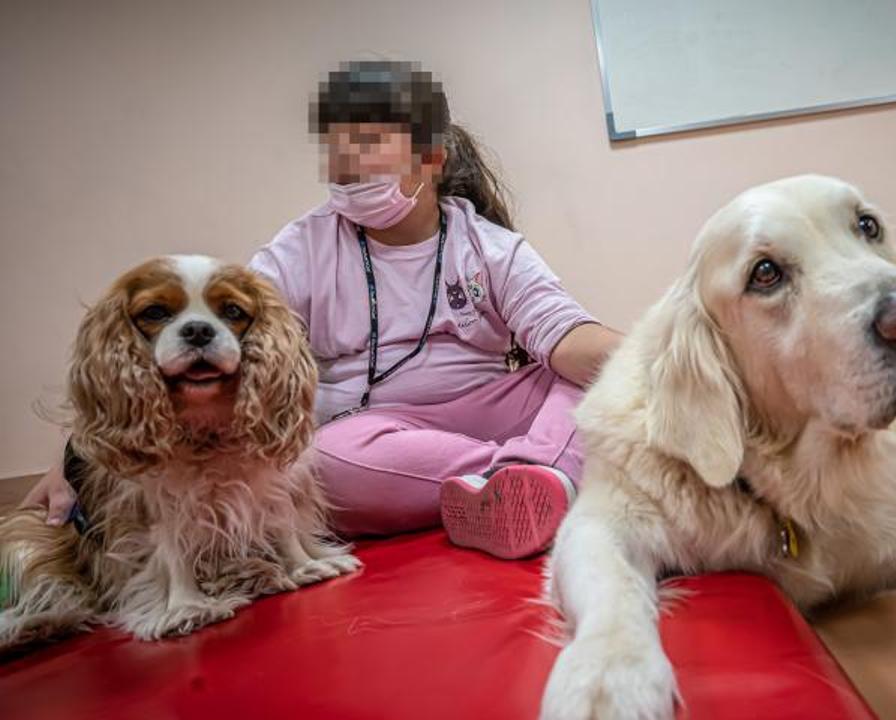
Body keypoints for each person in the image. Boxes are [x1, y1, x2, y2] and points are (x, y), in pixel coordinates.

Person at [22, 60, 621, 559]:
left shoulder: (488, 245)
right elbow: (212, 344)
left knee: (578, 385)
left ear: (430, 158)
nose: (347, 166)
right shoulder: (303, 245)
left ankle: (526, 480)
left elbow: (569, 337)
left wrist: (675, 358)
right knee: (323, 465)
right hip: (367, 434)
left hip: (485, 411)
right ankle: (544, 477)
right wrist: (78, 453)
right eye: (336, 152)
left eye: (366, 145)